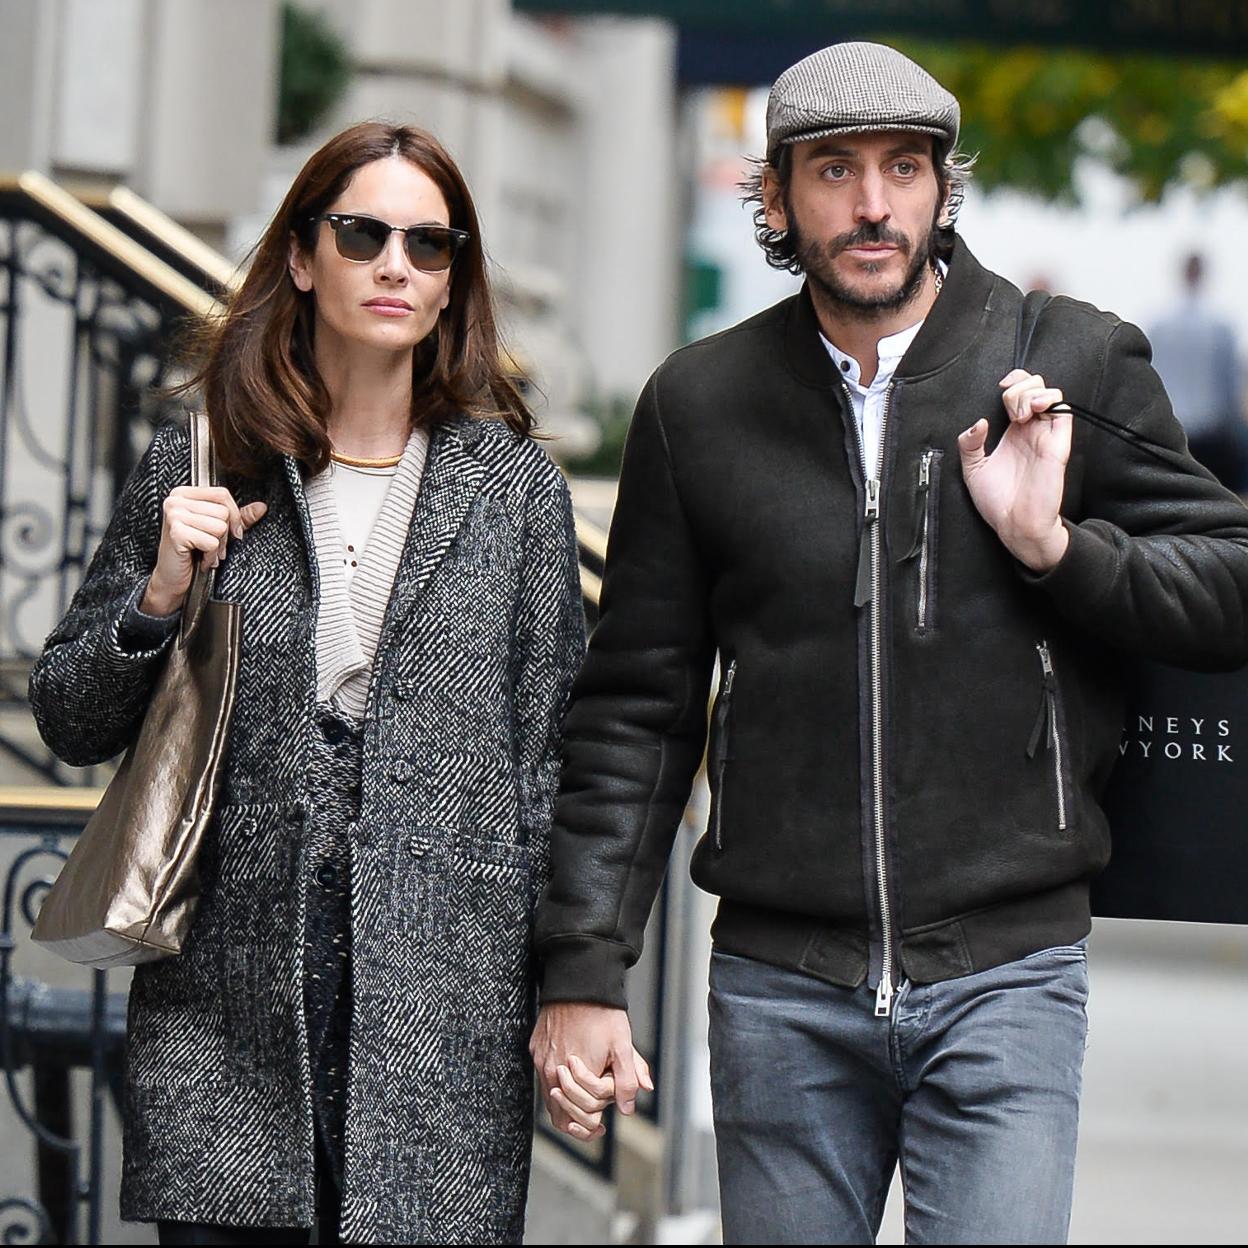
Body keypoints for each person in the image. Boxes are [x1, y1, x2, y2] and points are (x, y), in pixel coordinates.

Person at [529, 42, 1248, 1245]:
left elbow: (1229, 583)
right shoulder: (698, 407)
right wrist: (586, 970)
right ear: (774, 196)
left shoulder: (1067, 362)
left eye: (904, 168)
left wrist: (1056, 548)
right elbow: (635, 714)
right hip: (781, 989)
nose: (874, 205)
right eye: (835, 171)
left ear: (942, 187)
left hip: (1006, 977)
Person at [28, 121, 586, 1246]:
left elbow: (549, 764)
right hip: (224, 1010)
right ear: (299, 255)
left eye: (427, 245)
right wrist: (160, 593)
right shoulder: (205, 460)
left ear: (452, 280)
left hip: (443, 1013)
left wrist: (574, 986)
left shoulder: (515, 491)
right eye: (362, 234)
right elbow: (70, 718)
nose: (394, 265)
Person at [1149, 251, 1245, 492]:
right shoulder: (1220, 326)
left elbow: (1151, 379)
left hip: (1172, 432)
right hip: (1211, 434)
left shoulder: (1159, 326)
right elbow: (1229, 387)